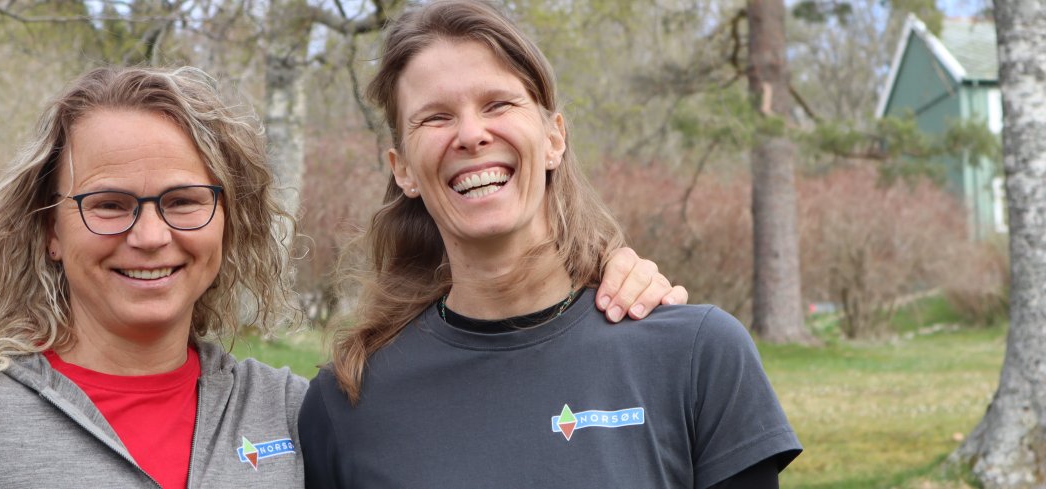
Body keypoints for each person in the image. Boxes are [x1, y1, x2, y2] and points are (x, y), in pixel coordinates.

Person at [0, 66, 683, 488]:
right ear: (49, 231)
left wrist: (600, 272)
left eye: (185, 200)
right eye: (109, 203)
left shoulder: (294, 413)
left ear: (227, 222)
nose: (150, 235)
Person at [298, 1, 803, 488]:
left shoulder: (695, 355)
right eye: (435, 117)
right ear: (402, 169)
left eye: (498, 103)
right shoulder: (347, 401)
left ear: (554, 138)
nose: (472, 134)